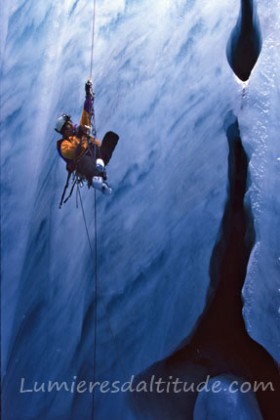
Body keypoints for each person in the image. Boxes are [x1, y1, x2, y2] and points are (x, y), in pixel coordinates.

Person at [55, 81, 119, 194]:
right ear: (64, 130)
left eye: (70, 122)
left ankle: (101, 166)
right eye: (69, 124)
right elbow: (72, 152)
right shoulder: (64, 145)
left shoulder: (78, 132)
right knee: (84, 160)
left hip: (96, 153)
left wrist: (88, 95)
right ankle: (98, 180)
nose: (71, 124)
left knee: (111, 136)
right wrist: (79, 137)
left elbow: (86, 114)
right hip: (85, 163)